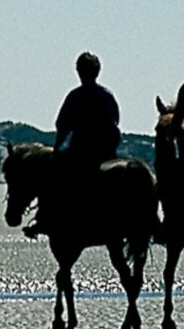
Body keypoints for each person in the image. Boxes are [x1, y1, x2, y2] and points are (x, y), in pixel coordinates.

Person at [25, 52, 121, 238]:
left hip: (81, 151)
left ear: (79, 71)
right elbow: (115, 121)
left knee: (50, 176)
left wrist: (57, 148)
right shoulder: (107, 95)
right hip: (107, 150)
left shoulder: (75, 96)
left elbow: (62, 125)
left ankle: (43, 219)